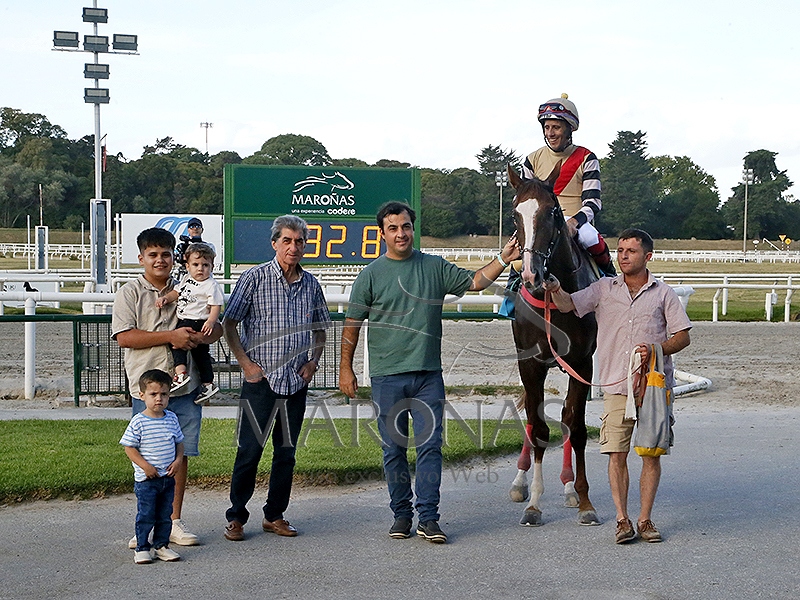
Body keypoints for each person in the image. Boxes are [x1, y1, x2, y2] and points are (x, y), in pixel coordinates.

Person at [339, 201, 520, 544]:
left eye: (405, 226)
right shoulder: (370, 275)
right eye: (393, 228)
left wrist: (503, 258)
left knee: (430, 447)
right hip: (387, 376)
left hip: (427, 377)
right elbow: (352, 323)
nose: (401, 233)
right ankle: (401, 514)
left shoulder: (434, 267)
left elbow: (475, 282)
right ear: (382, 234)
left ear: (413, 228)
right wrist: (345, 368)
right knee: (393, 450)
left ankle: (428, 518)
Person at [542, 228, 691, 544]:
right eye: (620, 250)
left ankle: (645, 519)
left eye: (631, 251)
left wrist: (656, 349)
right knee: (616, 454)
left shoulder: (664, 294)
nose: (623, 256)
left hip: (652, 387)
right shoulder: (603, 289)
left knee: (651, 454)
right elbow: (568, 304)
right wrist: (555, 288)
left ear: (647, 256)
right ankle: (623, 520)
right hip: (615, 387)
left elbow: (682, 336)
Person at [222, 215, 331, 542]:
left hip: (295, 384)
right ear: (274, 243)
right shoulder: (254, 278)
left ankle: (275, 515)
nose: (293, 247)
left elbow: (321, 329)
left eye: (299, 241)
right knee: (249, 451)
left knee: (286, 454)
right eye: (287, 241)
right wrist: (246, 364)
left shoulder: (311, 285)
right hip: (261, 382)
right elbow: (229, 324)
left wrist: (313, 362)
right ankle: (236, 517)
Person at [113, 227, 223, 549]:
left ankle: (173, 521)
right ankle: (145, 524)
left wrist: (201, 336)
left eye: (165, 254)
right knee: (146, 456)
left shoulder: (193, 284)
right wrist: (171, 337)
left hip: (185, 387)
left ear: (174, 257)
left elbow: (216, 329)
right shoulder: (130, 292)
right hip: (147, 390)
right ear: (141, 258)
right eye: (153, 255)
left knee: (179, 453)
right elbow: (124, 337)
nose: (159, 260)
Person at [521, 93, 614, 276]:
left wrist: (572, 223)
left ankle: (610, 276)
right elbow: (526, 204)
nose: (550, 133)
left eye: (556, 127)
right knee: (519, 250)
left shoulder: (587, 158)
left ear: (570, 128)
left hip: (576, 221)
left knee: (590, 237)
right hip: (542, 221)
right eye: (547, 127)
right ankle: (512, 289)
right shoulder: (531, 160)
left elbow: (593, 202)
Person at [120, 369, 185, 564]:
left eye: (164, 394)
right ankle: (142, 547)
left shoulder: (171, 418)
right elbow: (129, 448)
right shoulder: (139, 421)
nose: (159, 399)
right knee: (147, 514)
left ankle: (161, 546)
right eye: (153, 394)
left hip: (167, 478)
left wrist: (178, 460)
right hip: (147, 480)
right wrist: (145, 466)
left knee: (165, 515)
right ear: (142, 395)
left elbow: (179, 442)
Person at [156, 242, 224, 404]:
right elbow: (176, 292)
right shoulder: (186, 279)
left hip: (196, 320)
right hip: (186, 318)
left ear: (212, 267)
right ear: (187, 266)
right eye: (196, 265)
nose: (200, 269)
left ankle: (180, 373)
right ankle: (208, 384)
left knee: (176, 343)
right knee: (201, 354)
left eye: (205, 265)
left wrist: (211, 321)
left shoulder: (211, 285)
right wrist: (165, 299)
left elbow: (216, 305)